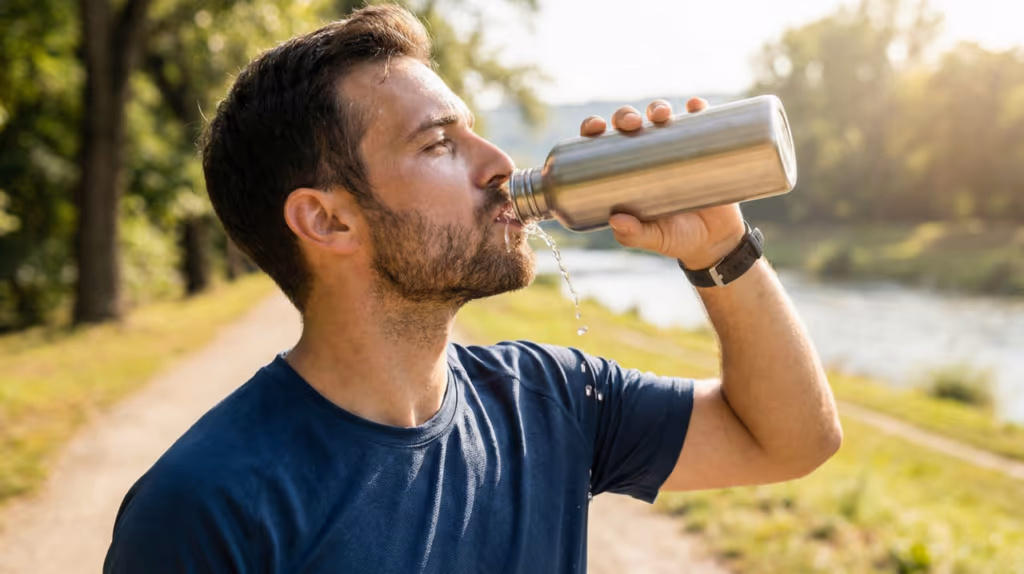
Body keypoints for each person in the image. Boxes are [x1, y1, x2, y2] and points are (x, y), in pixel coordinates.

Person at [103, 4, 841, 573]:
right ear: (327, 220)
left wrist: (720, 248)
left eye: (477, 132)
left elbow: (790, 441)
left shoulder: (550, 399)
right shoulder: (206, 506)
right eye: (438, 144)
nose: (496, 164)